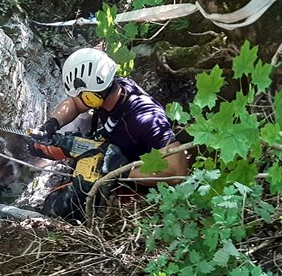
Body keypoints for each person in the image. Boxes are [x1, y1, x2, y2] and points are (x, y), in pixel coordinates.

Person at [32, 48, 188, 220]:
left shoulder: (145, 118)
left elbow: (177, 170)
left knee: (58, 211)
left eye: (83, 96)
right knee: (53, 198)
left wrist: (121, 171)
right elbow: (75, 103)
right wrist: (52, 124)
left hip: (137, 188)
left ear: (92, 96)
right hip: (110, 165)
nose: (80, 99)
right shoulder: (113, 90)